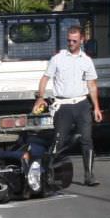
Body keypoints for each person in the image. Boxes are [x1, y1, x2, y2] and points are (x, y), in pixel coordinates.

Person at [36, 25, 102, 187]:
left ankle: (89, 175)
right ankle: (48, 173)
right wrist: (41, 97)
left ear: (81, 40)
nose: (71, 43)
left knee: (87, 139)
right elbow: (45, 79)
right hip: (63, 105)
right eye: (69, 41)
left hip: (81, 103)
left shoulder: (86, 60)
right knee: (59, 141)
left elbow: (92, 85)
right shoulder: (58, 58)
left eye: (74, 41)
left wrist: (97, 107)